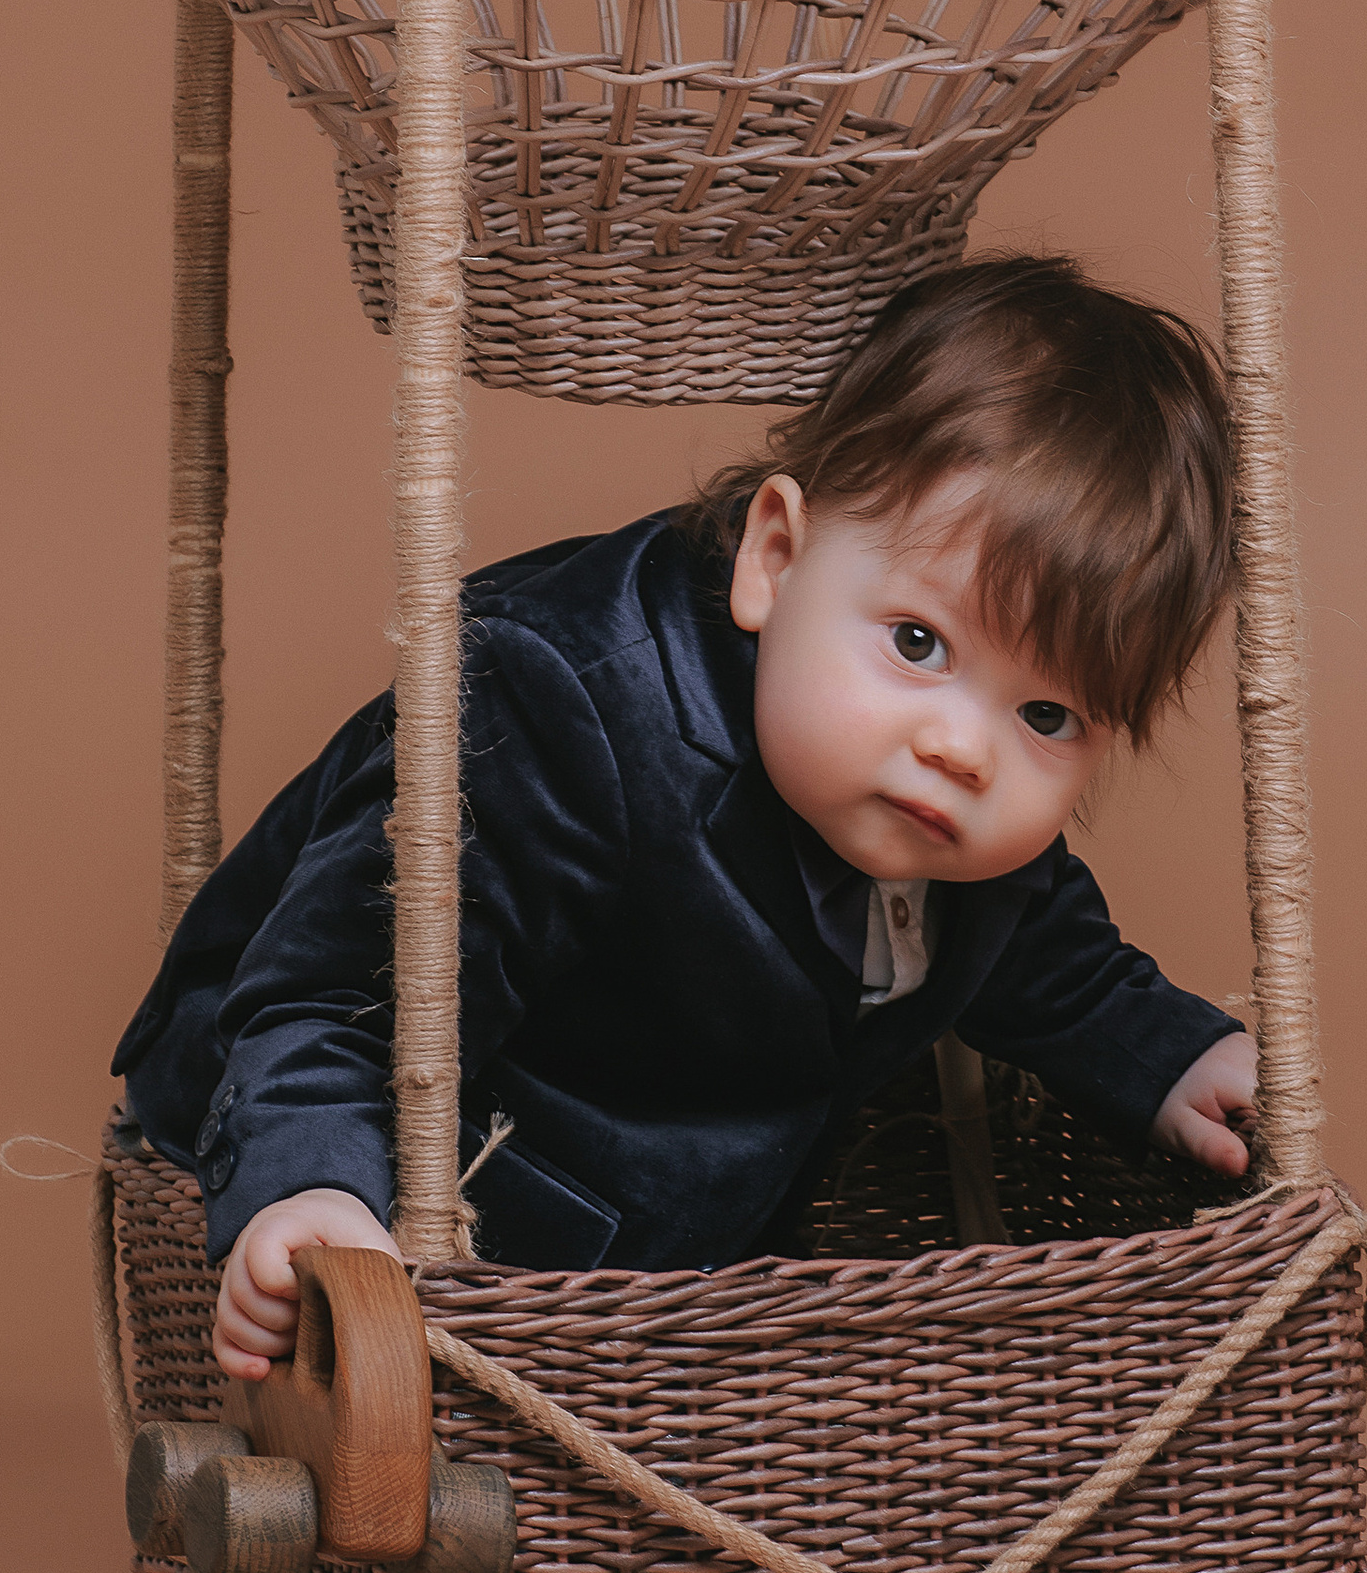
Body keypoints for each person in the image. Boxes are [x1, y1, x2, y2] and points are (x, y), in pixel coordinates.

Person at [115, 257, 1259, 1381]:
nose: (964, 750)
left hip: (675, 1196)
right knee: (367, 1090)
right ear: (774, 558)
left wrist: (1171, 1058)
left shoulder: (916, 795)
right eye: (918, 644)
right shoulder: (557, 712)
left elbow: (1037, 944)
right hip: (417, 1148)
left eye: (1048, 714)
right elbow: (334, 992)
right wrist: (312, 1184)